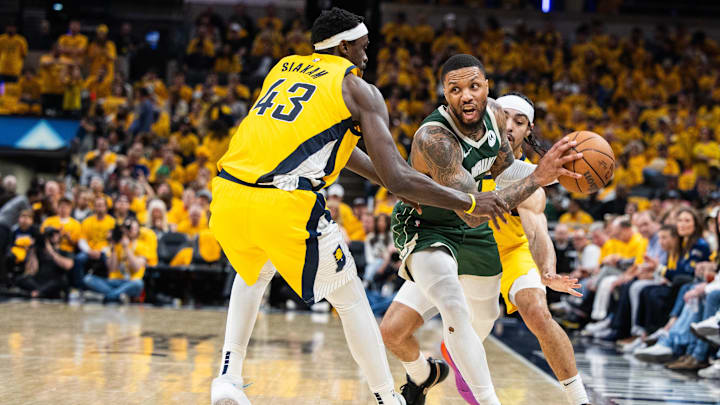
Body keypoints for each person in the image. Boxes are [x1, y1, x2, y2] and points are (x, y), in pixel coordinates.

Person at [208, 9, 522, 405]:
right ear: (344, 46)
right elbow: (398, 177)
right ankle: (386, 397)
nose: (367, 55)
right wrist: (468, 199)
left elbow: (338, 145)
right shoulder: (359, 90)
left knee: (253, 271)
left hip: (227, 194)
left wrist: (402, 185)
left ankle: (227, 378)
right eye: (362, 46)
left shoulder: (283, 68)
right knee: (350, 295)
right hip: (285, 200)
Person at [380, 89, 587, 405]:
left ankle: (579, 399)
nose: (510, 126)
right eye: (505, 117)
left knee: (537, 311)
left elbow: (537, 232)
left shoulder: (531, 180)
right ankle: (423, 374)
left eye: (520, 122)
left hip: (509, 254)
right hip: (455, 248)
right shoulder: (460, 158)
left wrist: (548, 271)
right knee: (392, 331)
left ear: (528, 131)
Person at [83, 217, 148, 303]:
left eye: (133, 228)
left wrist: (126, 248)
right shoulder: (117, 244)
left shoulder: (142, 245)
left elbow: (136, 268)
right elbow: (112, 269)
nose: (130, 231)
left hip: (131, 282)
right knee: (88, 279)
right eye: (128, 228)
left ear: (138, 230)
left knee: (139, 284)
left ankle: (106, 297)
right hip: (114, 281)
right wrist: (113, 245)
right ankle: (118, 296)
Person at [15, 226, 73, 298]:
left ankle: (39, 292)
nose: (53, 236)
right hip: (40, 281)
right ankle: (41, 292)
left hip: (55, 280)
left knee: (61, 281)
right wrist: (33, 251)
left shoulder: (65, 251)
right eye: (50, 235)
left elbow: (68, 266)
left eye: (56, 234)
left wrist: (51, 251)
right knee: (22, 279)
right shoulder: (39, 251)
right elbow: (31, 271)